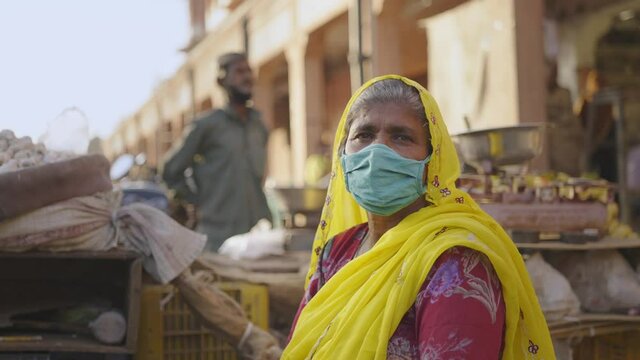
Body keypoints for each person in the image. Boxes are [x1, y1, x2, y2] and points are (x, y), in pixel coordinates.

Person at [283, 75, 553, 359]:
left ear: (431, 162)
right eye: (364, 135)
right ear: (342, 155)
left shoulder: (456, 263)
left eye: (401, 136)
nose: (378, 151)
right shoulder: (336, 252)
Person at [162, 52, 271, 251]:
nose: (247, 76)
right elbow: (170, 170)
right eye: (239, 71)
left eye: (248, 71)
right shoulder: (206, 126)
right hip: (217, 237)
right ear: (222, 80)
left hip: (257, 235)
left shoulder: (259, 125)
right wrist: (198, 201)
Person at [545, 60, 583, 177]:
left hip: (566, 142)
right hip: (550, 144)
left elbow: (569, 117)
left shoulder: (564, 93)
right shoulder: (540, 94)